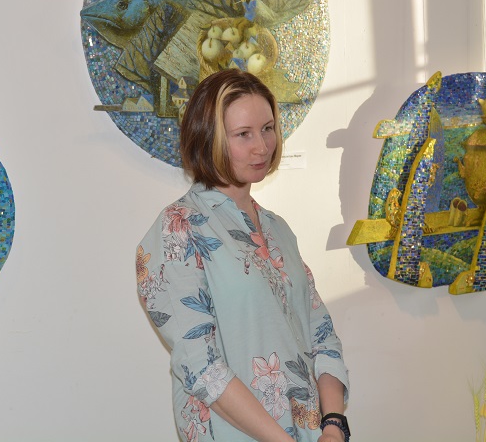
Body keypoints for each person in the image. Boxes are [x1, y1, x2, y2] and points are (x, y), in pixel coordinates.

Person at [136, 70, 350, 442]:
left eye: (267, 129)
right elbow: (202, 369)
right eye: (243, 134)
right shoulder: (177, 229)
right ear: (208, 138)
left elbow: (322, 336)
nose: (262, 147)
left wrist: (334, 425)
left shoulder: (277, 228)